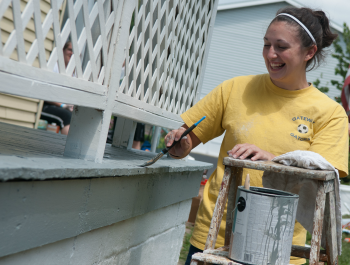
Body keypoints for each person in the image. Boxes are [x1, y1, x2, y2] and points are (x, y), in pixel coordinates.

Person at [165, 7, 349, 265]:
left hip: (281, 247)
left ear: (309, 52)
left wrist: (274, 160)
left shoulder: (330, 113)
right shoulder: (234, 89)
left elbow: (324, 179)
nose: (271, 54)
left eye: (281, 47)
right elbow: (186, 142)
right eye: (266, 44)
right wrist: (178, 143)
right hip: (215, 239)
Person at [40, 41, 74, 135]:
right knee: (67, 116)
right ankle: (64, 148)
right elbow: (45, 92)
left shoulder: (74, 73)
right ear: (62, 51)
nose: (72, 53)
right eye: (70, 50)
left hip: (64, 107)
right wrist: (63, 105)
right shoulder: (54, 66)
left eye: (75, 52)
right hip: (46, 105)